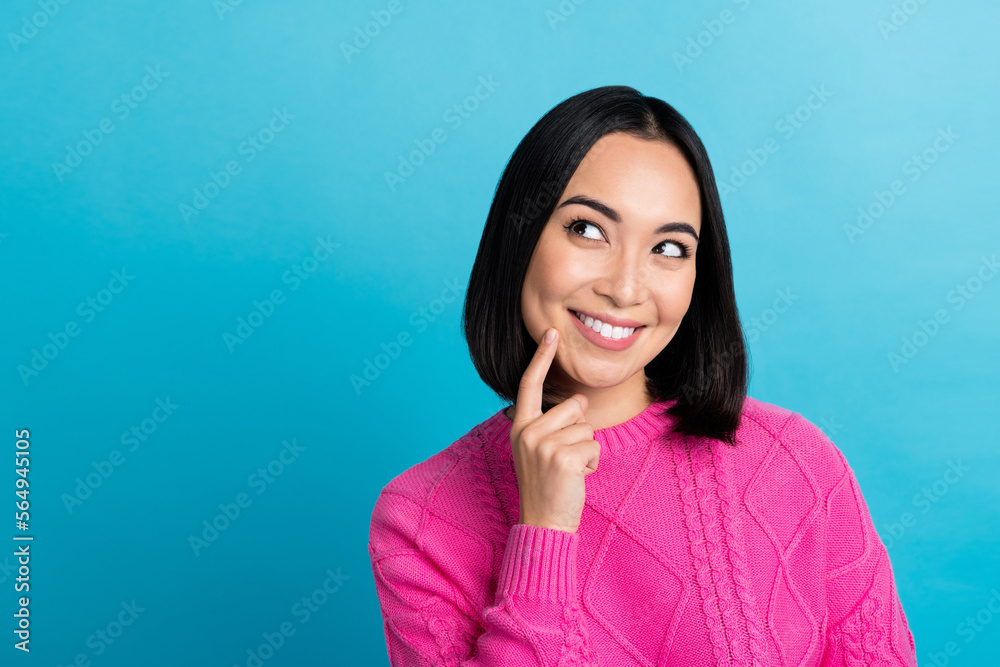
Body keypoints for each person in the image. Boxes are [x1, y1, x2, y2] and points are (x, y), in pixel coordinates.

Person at [368, 85, 918, 666]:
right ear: (520, 237)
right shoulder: (419, 520)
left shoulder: (796, 464)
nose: (626, 288)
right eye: (588, 230)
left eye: (670, 248)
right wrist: (543, 533)